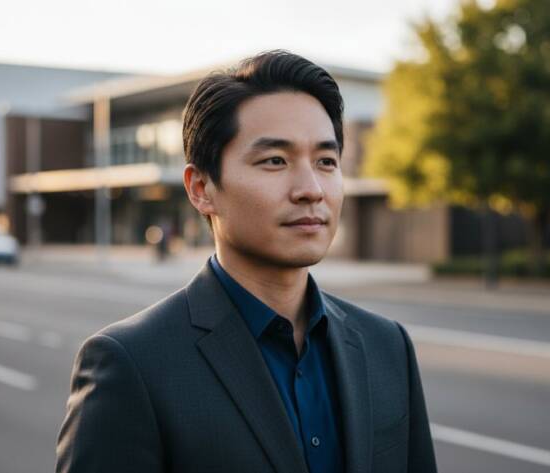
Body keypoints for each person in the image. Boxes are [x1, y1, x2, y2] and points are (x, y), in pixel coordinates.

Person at [56, 50, 438, 473]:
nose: (311, 189)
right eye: (275, 161)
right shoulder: (132, 364)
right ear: (201, 187)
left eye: (326, 162)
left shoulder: (386, 346)